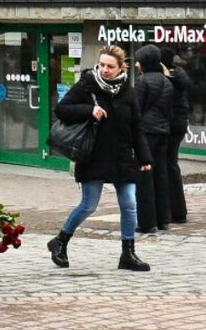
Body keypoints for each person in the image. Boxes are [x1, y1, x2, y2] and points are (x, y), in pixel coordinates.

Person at [46, 43, 154, 271]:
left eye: (110, 66)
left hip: (122, 156)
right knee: (88, 205)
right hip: (93, 155)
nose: (105, 70)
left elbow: (136, 128)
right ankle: (60, 241)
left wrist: (145, 158)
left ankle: (128, 254)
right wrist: (89, 111)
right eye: (102, 65)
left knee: (129, 204)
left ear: (120, 68)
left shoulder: (128, 91)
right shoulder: (87, 85)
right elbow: (61, 109)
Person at [133, 45, 174, 232]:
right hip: (163, 131)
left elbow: (135, 110)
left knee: (144, 178)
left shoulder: (143, 82)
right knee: (161, 175)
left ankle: (147, 222)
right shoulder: (167, 81)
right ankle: (163, 218)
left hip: (146, 133)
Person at [160, 46, 191, 224]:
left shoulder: (168, 79)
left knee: (168, 166)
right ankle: (177, 210)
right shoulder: (178, 75)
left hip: (169, 127)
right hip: (177, 125)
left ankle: (174, 210)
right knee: (171, 165)